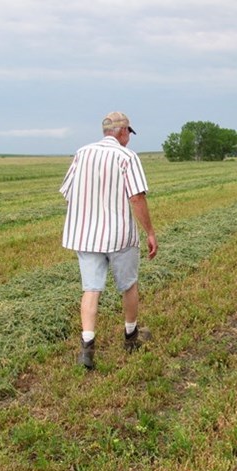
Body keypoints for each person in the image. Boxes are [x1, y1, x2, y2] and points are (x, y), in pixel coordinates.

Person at [59, 111, 158, 371]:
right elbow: (137, 198)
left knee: (91, 288)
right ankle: (130, 337)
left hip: (85, 235)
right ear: (123, 131)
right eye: (128, 134)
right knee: (128, 286)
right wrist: (149, 231)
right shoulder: (126, 156)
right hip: (119, 236)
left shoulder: (82, 153)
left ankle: (87, 348)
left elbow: (68, 193)